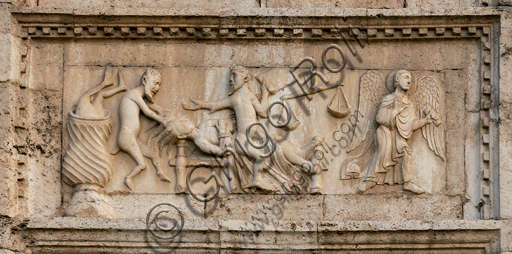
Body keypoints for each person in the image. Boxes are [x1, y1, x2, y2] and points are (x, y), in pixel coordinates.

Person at [185, 66, 318, 192]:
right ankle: (257, 179)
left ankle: (302, 162)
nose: (231, 80)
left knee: (277, 145)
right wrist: (200, 104)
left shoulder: (248, 95)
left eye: (234, 76)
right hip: (242, 140)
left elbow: (262, 112)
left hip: (255, 135)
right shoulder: (234, 98)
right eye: (231, 76)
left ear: (245, 79)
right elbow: (215, 105)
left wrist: (265, 93)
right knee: (264, 155)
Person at [356, 70, 438, 194]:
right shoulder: (388, 99)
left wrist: (425, 121)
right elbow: (380, 118)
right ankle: (370, 181)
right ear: (396, 80)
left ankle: (408, 183)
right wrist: (396, 110)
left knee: (405, 152)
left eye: (410, 79)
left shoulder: (409, 104)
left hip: (399, 135)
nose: (409, 81)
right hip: (385, 132)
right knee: (382, 152)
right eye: (406, 78)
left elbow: (410, 125)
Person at [113, 68, 172, 191]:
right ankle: (128, 178)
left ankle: (160, 174)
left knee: (153, 155)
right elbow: (147, 111)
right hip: (127, 137)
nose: (157, 88)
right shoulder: (133, 94)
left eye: (159, 85)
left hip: (131, 137)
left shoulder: (138, 97)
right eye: (155, 83)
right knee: (142, 164)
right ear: (145, 80)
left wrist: (163, 111)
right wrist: (162, 120)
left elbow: (150, 105)